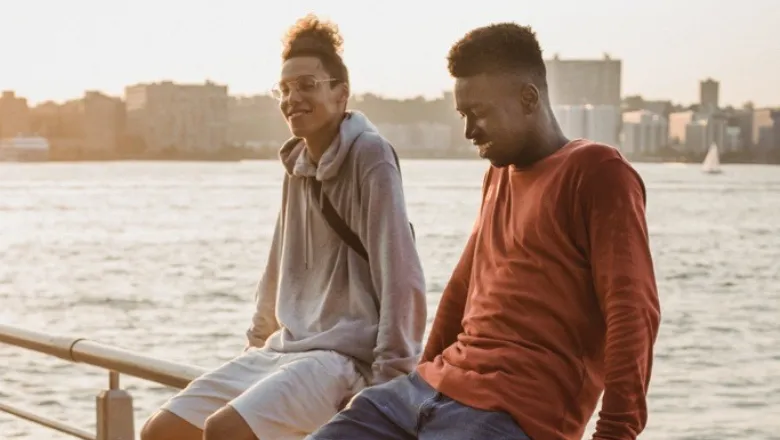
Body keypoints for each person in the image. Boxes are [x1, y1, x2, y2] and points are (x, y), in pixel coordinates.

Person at [308, 22, 661, 440]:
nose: (468, 130)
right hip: (423, 393)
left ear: (528, 99)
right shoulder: (498, 176)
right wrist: (421, 375)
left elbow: (631, 309)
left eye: (478, 113)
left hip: (513, 414)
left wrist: (616, 432)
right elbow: (460, 292)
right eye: (462, 114)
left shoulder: (598, 172)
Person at [141, 14, 427, 440]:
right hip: (284, 350)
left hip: (341, 359)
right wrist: (255, 348)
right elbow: (277, 268)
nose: (293, 98)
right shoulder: (296, 165)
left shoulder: (371, 155)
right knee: (161, 431)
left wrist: (388, 383)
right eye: (285, 89)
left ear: (341, 92)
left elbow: (401, 275)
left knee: (224, 431)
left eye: (308, 85)